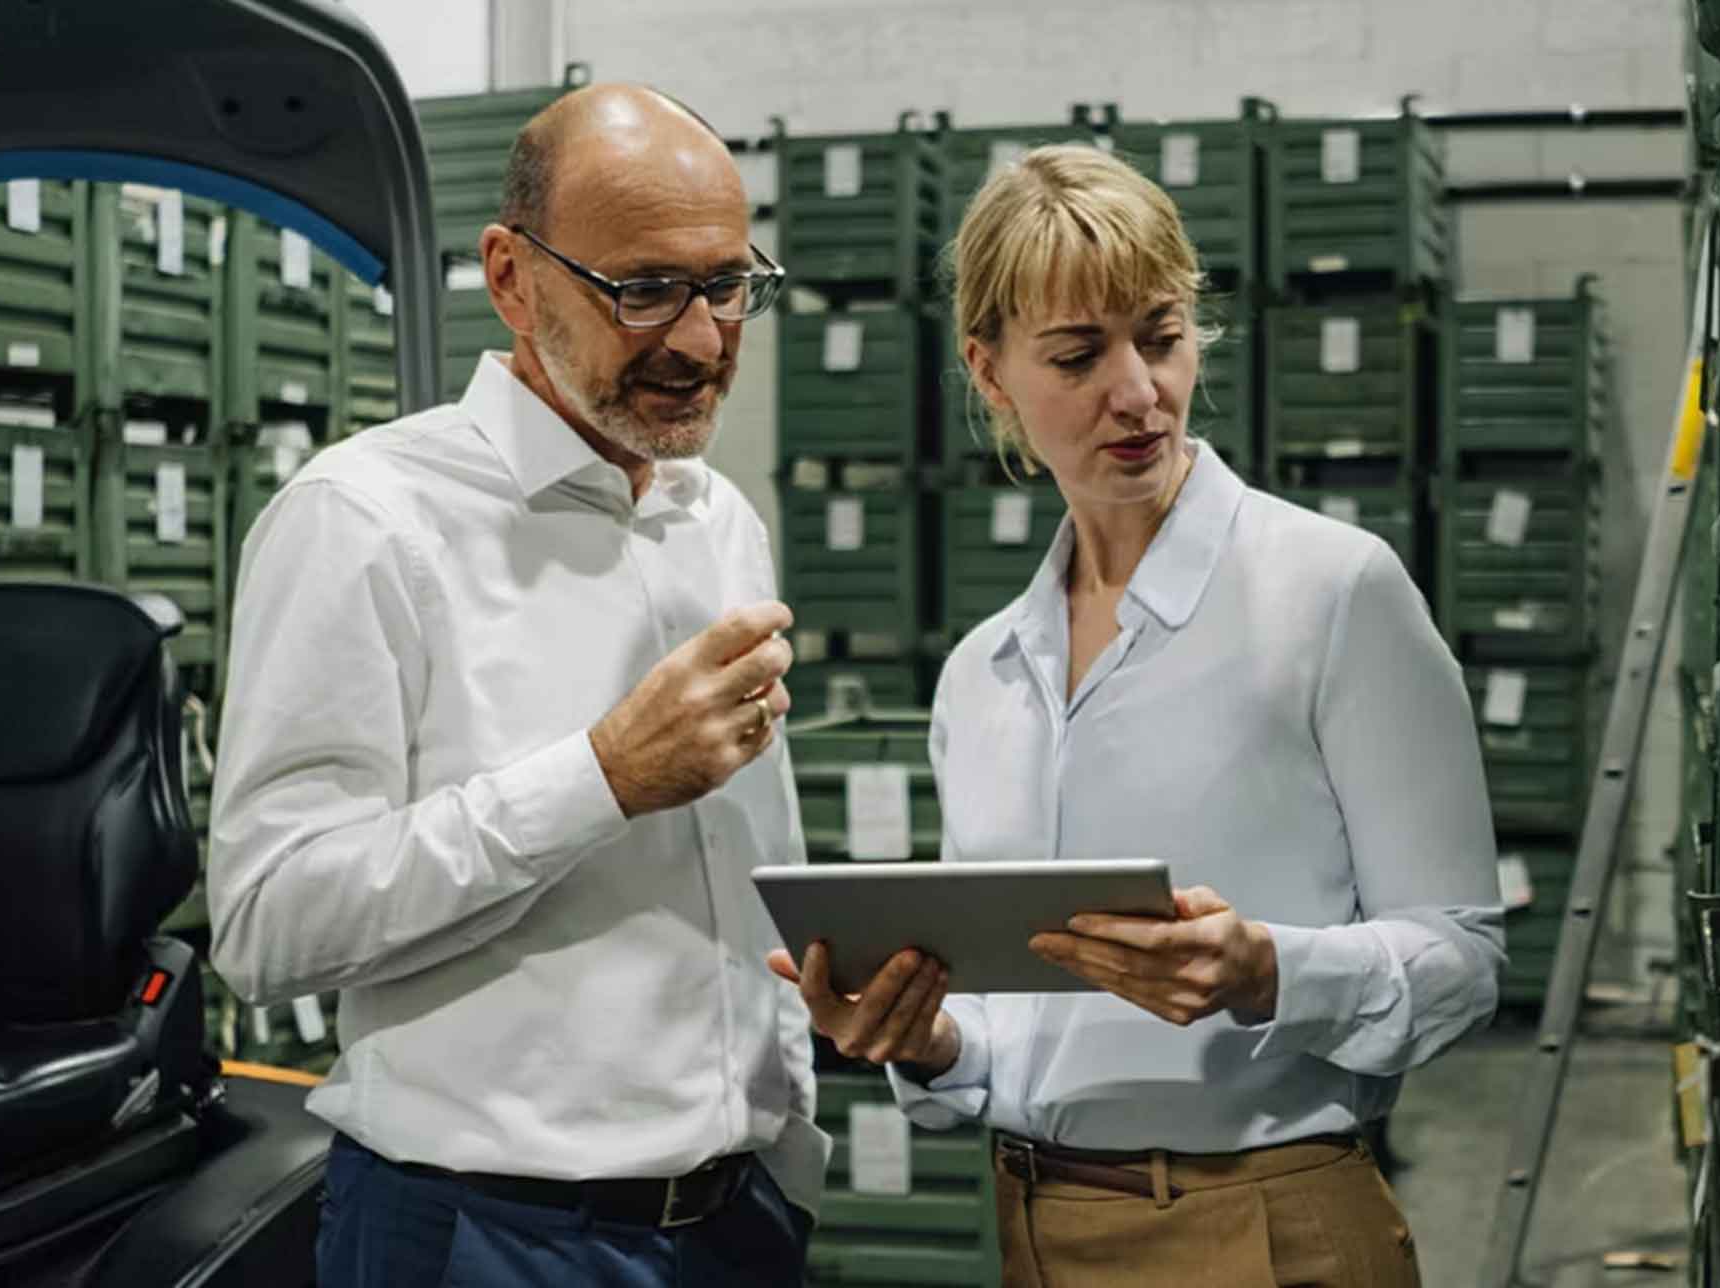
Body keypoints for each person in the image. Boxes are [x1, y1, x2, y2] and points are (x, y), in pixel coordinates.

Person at [773, 144, 1505, 1286]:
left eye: (1161, 336)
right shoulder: (986, 675)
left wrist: (1269, 969)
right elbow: (1011, 1029)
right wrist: (928, 1039)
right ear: (990, 371)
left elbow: (1464, 957)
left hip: (1263, 1224)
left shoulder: (1334, 593)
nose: (1139, 391)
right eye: (1079, 354)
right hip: (1032, 1226)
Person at [209, 84, 828, 1287]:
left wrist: (788, 1142)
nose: (700, 340)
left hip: (739, 1222)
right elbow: (268, 922)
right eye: (643, 289)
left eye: (726, 285)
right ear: (510, 275)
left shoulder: (719, 519)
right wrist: (600, 780)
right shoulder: (365, 524)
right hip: (485, 1237)